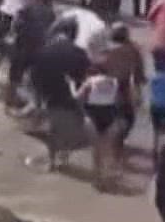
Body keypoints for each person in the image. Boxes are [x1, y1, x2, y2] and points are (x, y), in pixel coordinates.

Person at [31, 25, 93, 171]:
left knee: (52, 129)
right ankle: (65, 156)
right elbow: (86, 77)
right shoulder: (80, 53)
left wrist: (38, 102)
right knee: (73, 128)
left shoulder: (45, 50)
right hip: (72, 96)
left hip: (51, 93)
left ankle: (52, 161)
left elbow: (35, 75)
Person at [100, 22, 148, 158]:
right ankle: (117, 141)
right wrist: (140, 82)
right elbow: (139, 70)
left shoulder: (105, 48)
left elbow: (97, 66)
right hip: (123, 86)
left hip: (106, 86)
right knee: (128, 117)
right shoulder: (132, 49)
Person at [77, 62, 125, 188]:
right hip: (110, 115)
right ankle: (108, 177)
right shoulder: (114, 82)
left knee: (96, 149)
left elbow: (78, 97)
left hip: (93, 115)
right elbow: (119, 101)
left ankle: (97, 178)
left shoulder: (90, 81)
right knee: (107, 149)